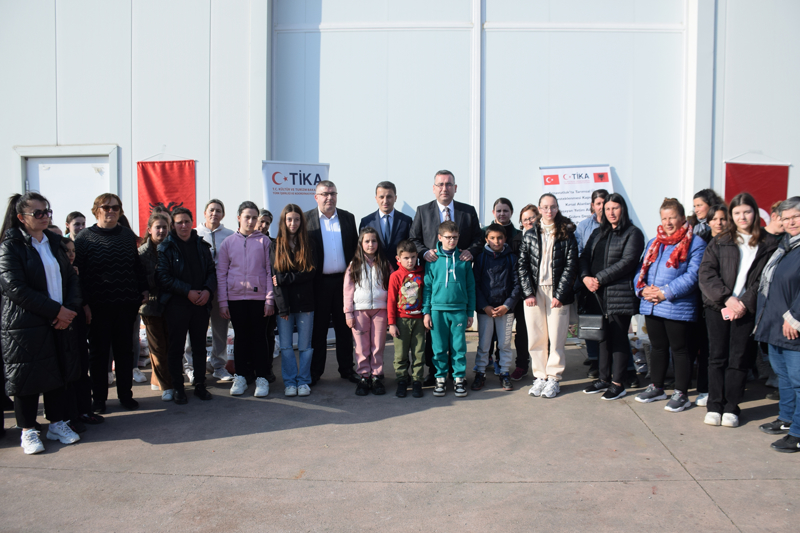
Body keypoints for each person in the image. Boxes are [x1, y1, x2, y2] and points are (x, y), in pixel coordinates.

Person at [0, 192, 81, 454]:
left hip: (59, 319)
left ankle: (57, 423)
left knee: (58, 372)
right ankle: (28, 430)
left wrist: (68, 310)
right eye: (38, 213)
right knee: (27, 378)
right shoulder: (10, 246)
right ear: (21, 217)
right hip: (25, 325)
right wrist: (56, 311)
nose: (45, 216)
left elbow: (71, 279)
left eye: (47, 211)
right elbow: (15, 288)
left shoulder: (54, 243)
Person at [698, 192, 778, 428]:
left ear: (755, 213)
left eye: (747, 212)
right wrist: (726, 298)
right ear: (731, 215)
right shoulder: (720, 240)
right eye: (737, 213)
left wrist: (744, 302)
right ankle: (715, 406)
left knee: (739, 358)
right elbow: (706, 273)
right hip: (718, 307)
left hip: (747, 309)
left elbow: (765, 279)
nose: (742, 217)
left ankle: (732, 407)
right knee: (717, 357)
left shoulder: (768, 243)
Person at [74, 193, 148, 413]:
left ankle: (126, 395)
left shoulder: (126, 235)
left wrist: (143, 289)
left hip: (126, 305)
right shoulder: (84, 238)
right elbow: (77, 274)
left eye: (115, 208)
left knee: (125, 353)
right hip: (98, 308)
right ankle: (99, 399)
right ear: (96, 210)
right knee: (99, 355)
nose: (111, 211)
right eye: (106, 207)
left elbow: (136, 265)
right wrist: (84, 304)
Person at [631, 198, 707, 411]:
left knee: (680, 350)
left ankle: (681, 393)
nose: (668, 222)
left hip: (677, 305)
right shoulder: (654, 242)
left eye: (672, 217)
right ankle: (657, 387)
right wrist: (642, 289)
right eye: (664, 218)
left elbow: (693, 276)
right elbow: (641, 269)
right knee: (657, 347)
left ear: (682, 218)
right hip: (652, 303)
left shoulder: (696, 243)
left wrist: (665, 293)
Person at [410, 170, 482, 385]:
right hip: (435, 277)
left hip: (459, 280)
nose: (444, 188)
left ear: (455, 188)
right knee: (435, 335)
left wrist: (470, 251)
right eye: (440, 184)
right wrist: (424, 253)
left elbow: (479, 239)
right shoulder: (423, 211)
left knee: (458, 341)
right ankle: (436, 373)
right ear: (434, 188)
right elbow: (413, 238)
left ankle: (457, 374)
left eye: (448, 184)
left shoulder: (467, 211)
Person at [579, 193, 645, 401]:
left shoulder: (633, 233)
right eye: (607, 209)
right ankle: (603, 379)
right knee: (602, 338)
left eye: (615, 208)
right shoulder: (598, 232)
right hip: (596, 293)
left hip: (618, 294)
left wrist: (598, 278)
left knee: (618, 338)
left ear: (622, 209)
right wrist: (585, 277)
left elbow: (628, 261)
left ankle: (618, 383)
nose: (611, 212)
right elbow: (584, 257)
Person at [517, 194, 579, 399]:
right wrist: (528, 292)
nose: (549, 211)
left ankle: (553, 377)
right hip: (535, 292)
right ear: (539, 209)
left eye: (552, 207)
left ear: (557, 208)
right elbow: (522, 265)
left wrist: (560, 294)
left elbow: (571, 265)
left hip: (557, 292)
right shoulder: (530, 234)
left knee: (557, 337)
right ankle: (540, 376)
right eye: (545, 207)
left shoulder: (566, 233)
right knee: (536, 337)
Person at [156, 207, 217, 404]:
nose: (183, 226)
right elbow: (163, 277)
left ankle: (200, 384)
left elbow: (211, 271)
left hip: (200, 304)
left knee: (199, 347)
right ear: (173, 225)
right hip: (177, 305)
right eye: (179, 222)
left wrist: (207, 290)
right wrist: (187, 291)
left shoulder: (202, 245)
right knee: (176, 348)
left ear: (192, 222)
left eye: (186, 221)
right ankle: (178, 387)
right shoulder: (166, 247)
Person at [754, 196, 800, 452]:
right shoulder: (785, 246)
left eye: (796, 217)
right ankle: (787, 419)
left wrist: (795, 317)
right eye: (786, 218)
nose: (791, 222)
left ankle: (798, 432)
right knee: (784, 377)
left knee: (798, 381)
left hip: (793, 327)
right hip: (776, 325)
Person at [217, 201, 275, 398]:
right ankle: (241, 376)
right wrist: (223, 302)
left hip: (259, 299)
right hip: (235, 299)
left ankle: (262, 378)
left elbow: (270, 273)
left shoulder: (265, 242)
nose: (251, 221)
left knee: (260, 338)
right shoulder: (228, 243)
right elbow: (221, 274)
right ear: (238, 218)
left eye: (254, 218)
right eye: (247, 217)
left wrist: (269, 300)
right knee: (241, 338)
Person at [305, 180, 359, 385]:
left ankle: (347, 369)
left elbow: (355, 249)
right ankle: (315, 372)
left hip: (344, 283)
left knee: (344, 328)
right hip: (318, 284)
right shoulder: (307, 219)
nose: (329, 197)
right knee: (318, 330)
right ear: (316, 197)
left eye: (332, 193)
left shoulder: (347, 218)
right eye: (325, 194)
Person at [422, 221, 476, 398]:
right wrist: (426, 312)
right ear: (440, 237)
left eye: (455, 237)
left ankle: (459, 378)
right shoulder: (433, 260)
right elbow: (427, 287)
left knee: (458, 347)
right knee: (438, 347)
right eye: (448, 237)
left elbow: (470, 287)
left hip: (459, 310)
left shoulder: (463, 260)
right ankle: (440, 378)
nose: (452, 241)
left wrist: (470, 312)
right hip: (437, 311)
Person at [271, 204, 316, 397]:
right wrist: (282, 308)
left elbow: (310, 273)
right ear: (283, 221)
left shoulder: (308, 243)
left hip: (305, 303)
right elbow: (275, 279)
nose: (293, 223)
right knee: (286, 346)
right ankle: (290, 382)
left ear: (301, 221)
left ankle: (303, 381)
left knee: (305, 346)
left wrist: (286, 278)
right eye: (289, 219)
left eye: (296, 219)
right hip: (285, 306)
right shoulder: (275, 245)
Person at [187, 199, 235, 384]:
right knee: (193, 329)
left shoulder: (230, 235)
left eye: (218, 210)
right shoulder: (194, 234)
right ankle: (190, 367)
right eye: (211, 210)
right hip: (199, 289)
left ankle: (218, 366)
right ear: (204, 213)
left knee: (220, 328)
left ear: (223, 214)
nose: (214, 213)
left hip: (221, 289)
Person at [472, 223, 521, 391]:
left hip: (505, 310)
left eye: (500, 238)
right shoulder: (481, 258)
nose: (496, 241)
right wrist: (484, 306)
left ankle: (505, 372)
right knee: (484, 344)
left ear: (505, 239)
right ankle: (480, 372)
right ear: (486, 239)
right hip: (485, 310)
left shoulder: (512, 258)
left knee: (504, 344)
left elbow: (517, 284)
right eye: (492, 238)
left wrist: (507, 305)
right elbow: (475, 284)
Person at [344, 227, 392, 396]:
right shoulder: (354, 265)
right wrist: (348, 313)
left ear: (378, 243)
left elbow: (392, 288)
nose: (370, 244)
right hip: (360, 311)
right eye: (367, 241)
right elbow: (348, 291)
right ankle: (364, 376)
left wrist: (391, 312)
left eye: (374, 241)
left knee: (378, 345)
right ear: (361, 244)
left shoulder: (385, 264)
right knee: (361, 346)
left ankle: (377, 376)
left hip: (380, 310)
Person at [61, 237, 101, 432]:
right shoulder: (56, 274)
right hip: (63, 325)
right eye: (66, 251)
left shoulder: (76, 272)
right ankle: (70, 416)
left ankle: (85, 410)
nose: (71, 255)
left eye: (73, 251)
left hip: (77, 325)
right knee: (68, 372)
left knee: (82, 367)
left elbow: (81, 296)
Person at [138, 211, 172, 401]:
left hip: (171, 305)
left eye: (164, 227)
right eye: (158, 227)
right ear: (149, 229)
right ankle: (167, 386)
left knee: (170, 347)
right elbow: (139, 280)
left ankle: (162, 380)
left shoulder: (172, 248)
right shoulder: (142, 253)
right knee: (158, 348)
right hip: (151, 307)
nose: (161, 231)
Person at [387, 240, 425, 398]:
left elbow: (426, 296)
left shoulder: (422, 274)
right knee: (401, 354)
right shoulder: (395, 276)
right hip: (401, 320)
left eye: (413, 257)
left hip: (419, 321)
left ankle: (417, 381)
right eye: (406, 258)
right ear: (398, 258)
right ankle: (402, 380)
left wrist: (426, 316)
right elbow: (391, 301)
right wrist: (391, 323)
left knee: (419, 352)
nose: (410, 261)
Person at [510, 204, 540, 381]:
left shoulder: (545, 236)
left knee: (542, 332)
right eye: (525, 219)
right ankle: (522, 365)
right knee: (522, 332)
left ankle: (541, 367)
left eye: (532, 218)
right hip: (522, 295)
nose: (529, 221)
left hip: (542, 292)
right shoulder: (516, 240)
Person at [359, 181, 413, 264]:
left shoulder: (406, 221)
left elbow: (411, 248)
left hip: (398, 269)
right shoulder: (366, 222)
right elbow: (360, 250)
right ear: (376, 199)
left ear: (395, 198)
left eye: (389, 197)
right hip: (374, 269)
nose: (385, 201)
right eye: (381, 197)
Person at [257, 208, 278, 376]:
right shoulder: (241, 240)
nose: (263, 225)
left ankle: (267, 369)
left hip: (270, 296)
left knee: (268, 334)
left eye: (267, 223)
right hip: (249, 295)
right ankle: (250, 368)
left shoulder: (274, 244)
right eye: (261, 221)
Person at [575, 189, 609, 255]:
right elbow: (577, 250)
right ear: (593, 206)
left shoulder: (616, 224)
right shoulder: (583, 225)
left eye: (604, 203)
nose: (602, 206)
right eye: (598, 204)